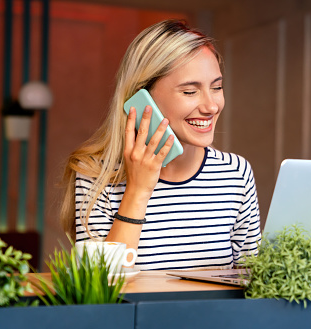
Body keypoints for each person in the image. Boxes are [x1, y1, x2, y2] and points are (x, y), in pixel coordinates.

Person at [60, 20, 261, 271]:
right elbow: (100, 290)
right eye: (190, 92)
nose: (211, 106)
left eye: (217, 87)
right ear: (142, 98)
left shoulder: (236, 173)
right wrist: (138, 190)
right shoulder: (95, 174)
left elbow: (252, 281)